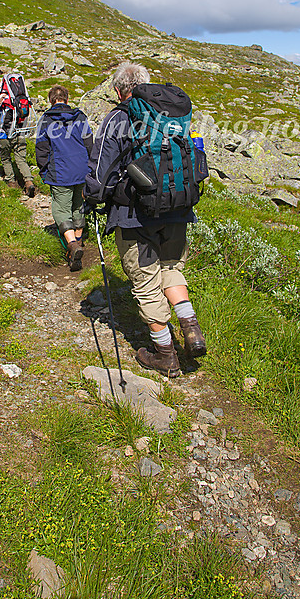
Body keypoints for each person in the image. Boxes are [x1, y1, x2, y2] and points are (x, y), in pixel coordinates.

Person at [84, 61, 206, 377]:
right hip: (179, 208)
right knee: (172, 268)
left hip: (135, 215)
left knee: (146, 281)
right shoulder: (170, 116)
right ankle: (191, 330)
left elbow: (99, 169)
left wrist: (92, 198)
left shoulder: (118, 118)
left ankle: (165, 354)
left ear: (118, 89)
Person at [36, 85, 93, 271]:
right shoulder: (80, 117)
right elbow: (89, 143)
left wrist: (44, 171)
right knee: (78, 205)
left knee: (61, 209)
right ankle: (78, 241)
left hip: (60, 171)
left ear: (51, 100)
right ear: (67, 99)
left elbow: (42, 149)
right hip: (81, 170)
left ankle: (72, 245)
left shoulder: (46, 119)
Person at [0, 82, 36, 197]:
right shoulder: (16, 102)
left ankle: (11, 182)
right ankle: (29, 182)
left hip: (4, 136)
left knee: (6, 159)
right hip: (20, 134)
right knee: (21, 160)